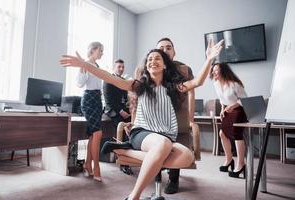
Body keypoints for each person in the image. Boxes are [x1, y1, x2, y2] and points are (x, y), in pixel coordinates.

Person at [60, 39, 223, 200]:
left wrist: (209, 59)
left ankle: (124, 150)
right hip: (143, 133)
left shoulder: (172, 87)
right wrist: (85, 65)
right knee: (163, 145)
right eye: (150, 59)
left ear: (165, 65)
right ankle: (134, 196)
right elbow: (110, 78)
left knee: (187, 156)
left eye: (157, 58)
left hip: (165, 136)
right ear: (146, 66)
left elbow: (197, 82)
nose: (153, 61)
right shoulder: (138, 85)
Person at [156, 37, 200, 194]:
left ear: (174, 51)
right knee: (157, 144)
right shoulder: (151, 67)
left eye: (168, 47)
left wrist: (190, 118)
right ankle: (157, 174)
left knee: (176, 144)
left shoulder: (184, 69)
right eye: (161, 48)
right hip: (156, 113)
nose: (165, 50)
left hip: (177, 112)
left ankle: (173, 179)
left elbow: (191, 93)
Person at [209, 62, 247, 178]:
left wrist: (231, 106)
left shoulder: (234, 84)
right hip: (227, 110)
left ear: (223, 71)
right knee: (222, 133)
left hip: (239, 111)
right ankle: (229, 160)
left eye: (216, 70)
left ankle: (241, 164)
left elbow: (244, 100)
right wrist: (222, 109)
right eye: (213, 70)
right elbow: (221, 99)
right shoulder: (216, 84)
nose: (213, 72)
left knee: (237, 135)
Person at [76, 41, 104, 182]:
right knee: (98, 133)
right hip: (88, 99)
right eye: (100, 50)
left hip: (98, 100)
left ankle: (88, 164)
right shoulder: (86, 64)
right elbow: (80, 83)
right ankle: (96, 167)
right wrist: (82, 67)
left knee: (94, 135)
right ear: (92, 50)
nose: (102, 53)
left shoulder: (97, 65)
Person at [102, 59, 133, 175]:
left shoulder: (124, 81)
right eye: (119, 67)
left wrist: (128, 109)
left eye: (122, 67)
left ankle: (132, 157)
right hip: (112, 111)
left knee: (133, 127)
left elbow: (125, 99)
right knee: (123, 131)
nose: (121, 69)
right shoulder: (108, 80)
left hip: (123, 110)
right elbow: (109, 100)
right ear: (113, 67)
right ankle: (124, 163)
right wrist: (121, 111)